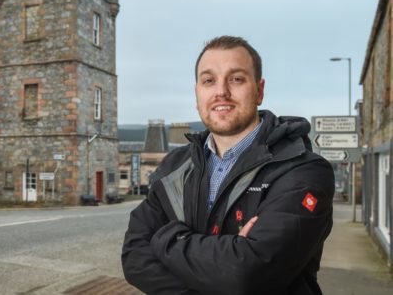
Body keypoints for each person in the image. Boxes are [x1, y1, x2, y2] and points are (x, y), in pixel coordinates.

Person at [122, 36, 335, 295]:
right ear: (197, 93)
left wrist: (164, 239)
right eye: (209, 80)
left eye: (236, 79)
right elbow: (134, 258)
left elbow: (246, 274)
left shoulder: (303, 170)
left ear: (259, 90)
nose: (221, 91)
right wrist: (225, 260)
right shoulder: (175, 168)